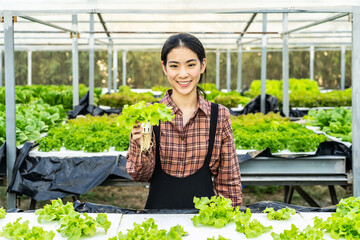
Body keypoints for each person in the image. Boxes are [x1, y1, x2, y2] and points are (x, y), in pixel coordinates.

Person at [126, 33, 242, 209]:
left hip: (205, 221)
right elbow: (139, 176)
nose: (183, 74)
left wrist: (229, 221)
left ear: (202, 65)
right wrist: (141, 145)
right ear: (164, 68)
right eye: (174, 66)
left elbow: (229, 180)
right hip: (159, 221)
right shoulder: (148, 114)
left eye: (191, 65)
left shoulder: (219, 116)